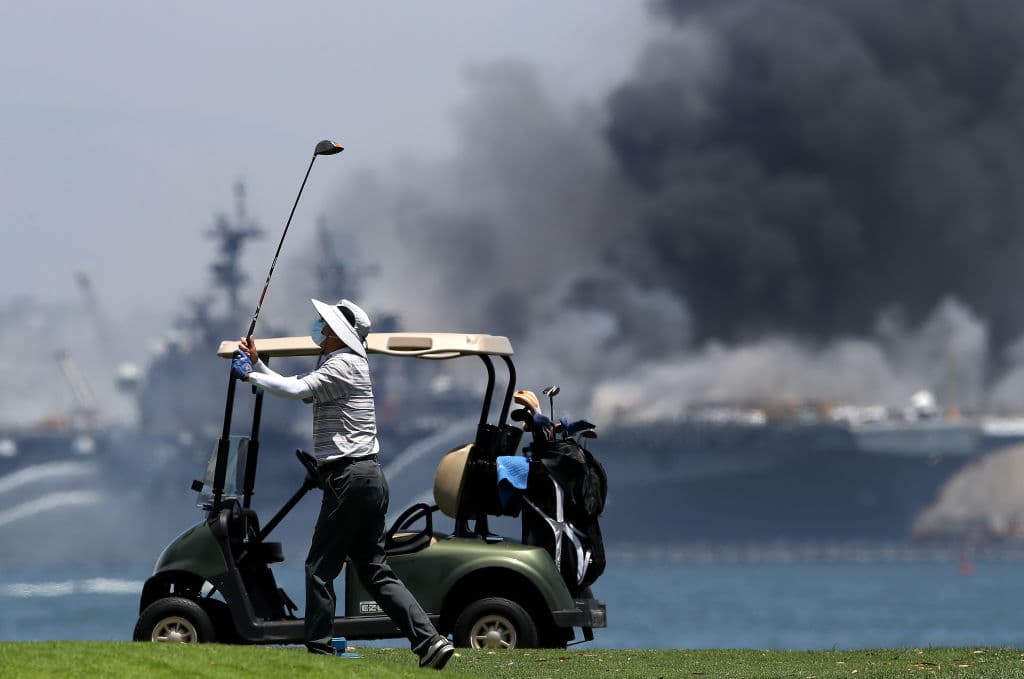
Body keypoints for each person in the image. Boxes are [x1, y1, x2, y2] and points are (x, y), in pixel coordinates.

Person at [231, 297, 454, 670]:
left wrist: (249, 375)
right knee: (373, 568)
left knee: (319, 567)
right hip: (368, 478)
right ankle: (429, 641)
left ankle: (318, 652)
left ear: (339, 333)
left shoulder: (342, 365)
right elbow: (293, 383)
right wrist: (256, 364)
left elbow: (296, 390)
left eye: (326, 323)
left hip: (348, 479)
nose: (319, 326)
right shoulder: (346, 364)